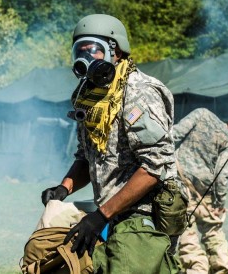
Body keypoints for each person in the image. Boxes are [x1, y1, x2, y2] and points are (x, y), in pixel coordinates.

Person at [40, 14, 187, 273]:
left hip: (145, 212)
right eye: (79, 51)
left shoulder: (139, 92)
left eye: (92, 51)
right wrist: (64, 188)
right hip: (110, 211)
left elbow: (155, 167)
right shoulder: (90, 96)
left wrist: (101, 216)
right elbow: (87, 156)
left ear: (114, 50)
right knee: (49, 255)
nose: (84, 59)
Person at [174, 108, 228, 274]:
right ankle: (223, 269)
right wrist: (219, 204)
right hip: (206, 194)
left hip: (180, 185)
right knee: (213, 232)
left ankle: (197, 269)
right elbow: (222, 176)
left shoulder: (200, 113)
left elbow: (174, 134)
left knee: (187, 234)